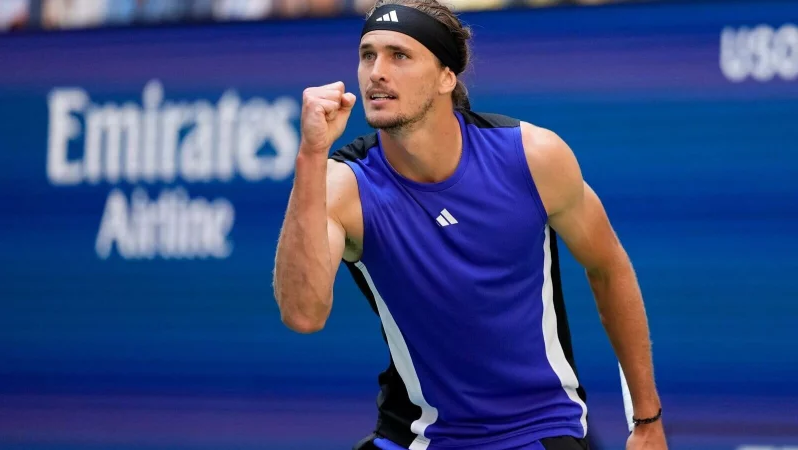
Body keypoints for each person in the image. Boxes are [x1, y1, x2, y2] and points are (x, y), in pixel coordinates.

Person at [273, 1, 667, 449]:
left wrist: (647, 418)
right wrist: (310, 156)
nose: (376, 72)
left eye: (399, 56)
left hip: (537, 433)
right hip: (415, 436)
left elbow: (608, 268)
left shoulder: (533, 157)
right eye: (368, 55)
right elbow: (303, 314)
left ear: (446, 77)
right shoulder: (343, 186)